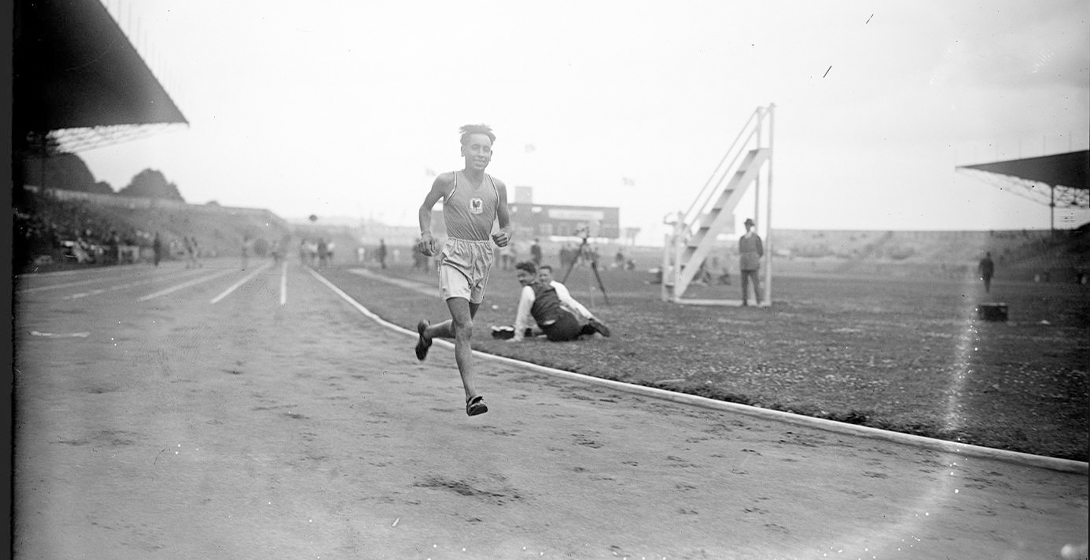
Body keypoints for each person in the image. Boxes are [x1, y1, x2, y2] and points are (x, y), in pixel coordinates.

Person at [413, 124, 513, 417]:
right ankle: (472, 397)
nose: (480, 153)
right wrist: (425, 233)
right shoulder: (448, 181)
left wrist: (506, 233)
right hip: (455, 255)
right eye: (475, 148)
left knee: (461, 325)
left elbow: (506, 223)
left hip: (482, 256)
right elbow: (425, 208)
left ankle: (428, 332)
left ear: (491, 154)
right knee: (466, 328)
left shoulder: (498, 187)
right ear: (463, 151)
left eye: (485, 149)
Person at [510, 262, 610, 342]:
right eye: (518, 276)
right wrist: (591, 317)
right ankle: (586, 332)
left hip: (558, 329)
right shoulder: (549, 286)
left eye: (523, 275)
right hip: (572, 323)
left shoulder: (528, 290)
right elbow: (572, 304)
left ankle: (575, 336)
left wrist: (518, 337)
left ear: (533, 275)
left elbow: (522, 315)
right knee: (540, 328)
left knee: (539, 330)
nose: (520, 279)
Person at [739, 218, 764, 306]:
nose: (747, 227)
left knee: (756, 283)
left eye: (749, 225)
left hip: (753, 264)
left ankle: (759, 301)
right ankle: (744, 301)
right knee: (744, 284)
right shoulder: (742, 238)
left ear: (751, 226)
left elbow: (760, 251)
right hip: (744, 264)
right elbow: (740, 250)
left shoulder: (756, 238)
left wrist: (755, 258)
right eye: (746, 225)